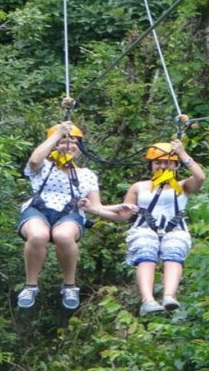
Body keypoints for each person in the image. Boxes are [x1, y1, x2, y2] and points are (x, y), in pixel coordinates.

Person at [16, 121, 131, 310]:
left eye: (73, 143)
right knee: (38, 235)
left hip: (69, 213)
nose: (68, 146)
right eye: (63, 142)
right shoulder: (43, 166)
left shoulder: (86, 175)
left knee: (63, 236)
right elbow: (34, 160)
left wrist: (119, 209)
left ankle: (69, 285)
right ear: (54, 144)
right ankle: (31, 285)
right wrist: (57, 133)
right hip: (39, 208)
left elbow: (96, 207)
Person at [82, 139, 205, 315]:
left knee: (174, 252)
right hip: (145, 228)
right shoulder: (139, 187)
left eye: (167, 162)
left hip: (175, 229)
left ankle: (169, 295)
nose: (162, 166)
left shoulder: (184, 186)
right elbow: (124, 214)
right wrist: (94, 210)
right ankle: (147, 300)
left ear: (175, 165)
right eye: (158, 162)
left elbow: (200, 177)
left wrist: (183, 154)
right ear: (151, 165)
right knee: (146, 253)